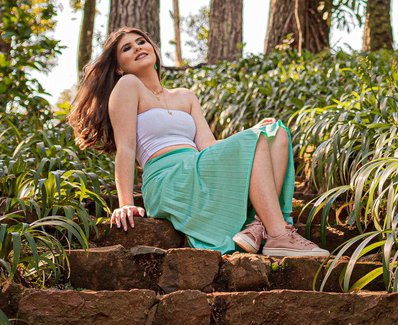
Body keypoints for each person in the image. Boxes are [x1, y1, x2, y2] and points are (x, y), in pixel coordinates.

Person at [68, 26, 328, 257]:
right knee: (256, 138)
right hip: (166, 179)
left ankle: (260, 225)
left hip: (199, 169)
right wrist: (126, 203)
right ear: (118, 66)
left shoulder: (186, 96)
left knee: (276, 132)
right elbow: (125, 148)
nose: (137, 47)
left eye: (141, 42)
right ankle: (278, 233)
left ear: (154, 51)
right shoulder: (128, 85)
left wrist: (254, 134)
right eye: (127, 48)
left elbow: (210, 148)